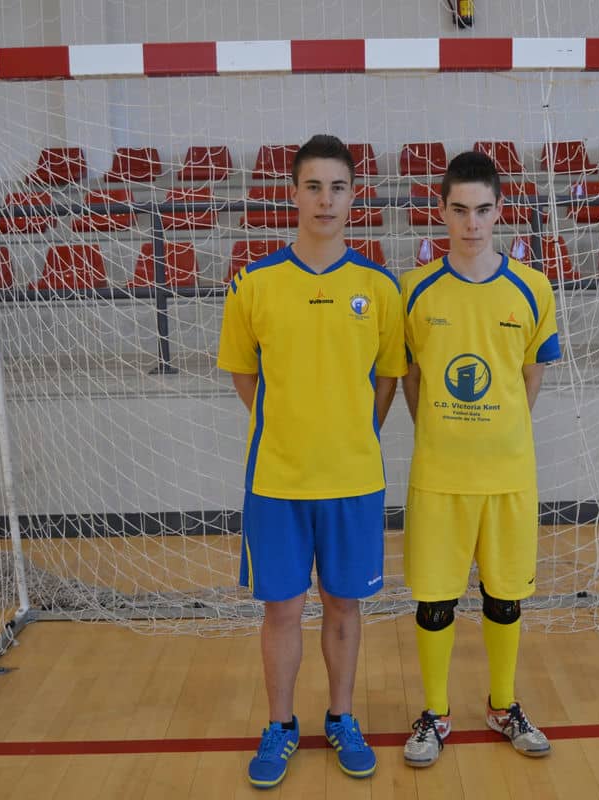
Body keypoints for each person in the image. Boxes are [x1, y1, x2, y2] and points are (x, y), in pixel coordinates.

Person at [217, 134, 406, 788]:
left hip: (354, 477)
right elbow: (244, 375)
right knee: (281, 610)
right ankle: (279, 724)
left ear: (356, 195)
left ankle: (341, 716)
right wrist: (291, 426)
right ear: (291, 193)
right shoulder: (254, 283)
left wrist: (350, 429)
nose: (325, 200)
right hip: (277, 478)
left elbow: (387, 378)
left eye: (338, 187)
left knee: (344, 606)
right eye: (313, 186)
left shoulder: (379, 286)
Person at [398, 150, 561, 767]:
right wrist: (441, 430)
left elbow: (531, 377)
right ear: (441, 211)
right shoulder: (414, 291)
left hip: (508, 474)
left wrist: (501, 432)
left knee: (504, 596)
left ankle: (502, 704)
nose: (472, 223)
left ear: (500, 211)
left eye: (483, 209)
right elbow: (411, 378)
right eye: (460, 210)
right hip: (440, 475)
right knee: (435, 599)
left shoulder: (532, 287)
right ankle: (435, 714)